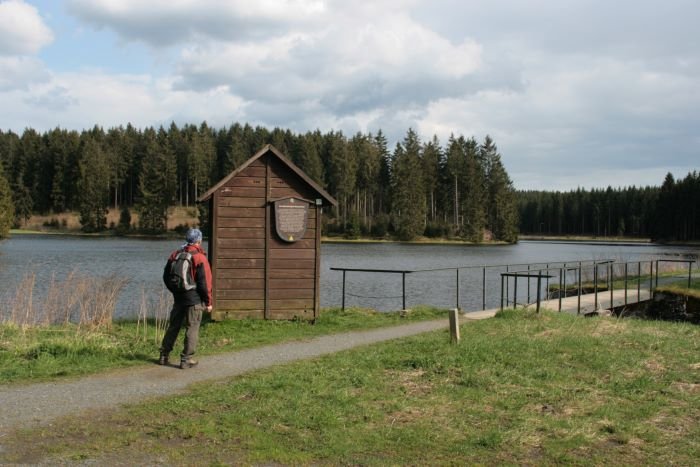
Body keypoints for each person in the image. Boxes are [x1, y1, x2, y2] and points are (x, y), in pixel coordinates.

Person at [159, 228, 213, 369]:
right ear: (199, 241)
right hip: (193, 299)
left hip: (178, 298)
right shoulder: (200, 257)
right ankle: (186, 360)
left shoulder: (175, 254)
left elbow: (166, 277)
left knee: (173, 326)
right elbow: (205, 283)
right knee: (192, 328)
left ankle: (164, 356)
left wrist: (175, 291)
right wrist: (208, 302)